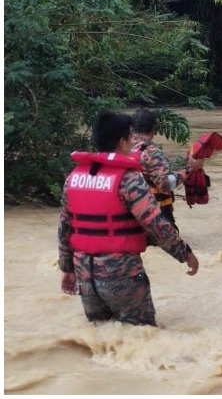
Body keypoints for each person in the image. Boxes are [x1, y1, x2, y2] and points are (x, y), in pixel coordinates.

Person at [58, 111, 200, 326]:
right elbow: (155, 224)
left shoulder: (74, 178)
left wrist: (67, 268)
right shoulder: (128, 179)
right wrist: (185, 254)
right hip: (121, 272)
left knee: (102, 336)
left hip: (85, 275)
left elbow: (65, 229)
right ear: (123, 140)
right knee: (142, 337)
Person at [130, 107, 192, 230]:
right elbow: (165, 184)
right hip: (153, 217)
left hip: (127, 214)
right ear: (153, 129)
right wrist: (188, 170)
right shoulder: (151, 152)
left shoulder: (120, 148)